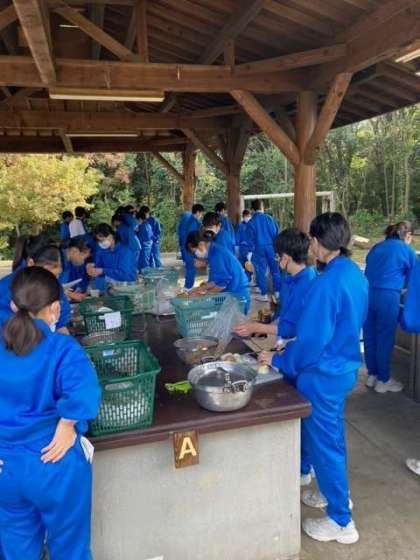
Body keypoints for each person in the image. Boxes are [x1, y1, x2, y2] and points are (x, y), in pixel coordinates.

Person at [259, 213, 368, 545]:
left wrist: (279, 358)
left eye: (312, 241)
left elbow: (310, 343)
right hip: (343, 367)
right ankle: (334, 494)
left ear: (319, 243)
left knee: (326, 445)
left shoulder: (325, 284)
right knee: (330, 440)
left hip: (323, 374)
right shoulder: (353, 273)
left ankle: (341, 520)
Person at [0, 266, 100, 559]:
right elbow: (85, 391)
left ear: (13, 305)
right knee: (70, 548)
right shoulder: (62, 348)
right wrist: (68, 424)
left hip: (7, 468)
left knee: (16, 548)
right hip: (54, 459)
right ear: (55, 308)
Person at [234, 228, 316, 346]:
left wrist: (257, 327)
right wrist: (264, 328)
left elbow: (292, 328)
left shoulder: (305, 284)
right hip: (285, 336)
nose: (276, 260)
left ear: (286, 258)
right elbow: (285, 314)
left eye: (277, 256)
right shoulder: (291, 275)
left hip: (299, 343)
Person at [364, 222, 418, 393]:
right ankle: (384, 380)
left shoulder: (376, 247)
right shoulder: (405, 249)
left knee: (370, 337)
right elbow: (415, 276)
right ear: (407, 236)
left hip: (368, 295)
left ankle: (372, 375)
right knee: (384, 338)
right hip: (388, 296)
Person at [0, 239, 71, 334]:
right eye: (47, 274)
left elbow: (62, 325)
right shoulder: (5, 291)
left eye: (57, 275)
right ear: (31, 263)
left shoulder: (53, 282)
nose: (53, 281)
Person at [186, 230, 251, 314]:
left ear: (201, 244)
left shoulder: (217, 254)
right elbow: (216, 281)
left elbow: (221, 285)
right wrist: (199, 289)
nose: (196, 254)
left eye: (194, 251)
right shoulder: (214, 252)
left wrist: (203, 295)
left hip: (237, 296)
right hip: (233, 293)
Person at [247, 199, 281, 302]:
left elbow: (250, 239)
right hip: (272, 247)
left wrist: (250, 252)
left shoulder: (251, 222)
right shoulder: (269, 219)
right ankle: (277, 292)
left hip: (258, 248)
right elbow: (276, 234)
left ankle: (264, 294)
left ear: (252, 210)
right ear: (262, 207)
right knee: (275, 270)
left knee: (260, 271)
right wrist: (278, 249)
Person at [88, 224, 137, 289]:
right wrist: (93, 269)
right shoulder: (101, 251)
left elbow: (125, 274)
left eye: (102, 240)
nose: (101, 243)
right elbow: (99, 269)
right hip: (110, 286)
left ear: (111, 235)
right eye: (99, 241)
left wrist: (103, 271)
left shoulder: (125, 252)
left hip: (126, 286)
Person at [179, 204, 204, 289]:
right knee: (191, 268)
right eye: (201, 213)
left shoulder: (188, 218)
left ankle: (188, 286)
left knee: (190, 267)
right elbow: (194, 239)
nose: (201, 215)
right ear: (198, 212)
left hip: (186, 246)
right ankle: (188, 287)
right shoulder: (193, 224)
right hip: (190, 248)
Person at [61, 238, 92, 302]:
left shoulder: (72, 263)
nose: (83, 261)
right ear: (74, 251)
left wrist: (79, 289)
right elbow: (53, 286)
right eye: (82, 256)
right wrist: (71, 294)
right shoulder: (59, 261)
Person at [235, 209, 253, 281]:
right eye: (245, 216)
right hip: (243, 248)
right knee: (242, 265)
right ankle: (245, 280)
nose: (247, 217)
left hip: (251, 248)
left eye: (248, 216)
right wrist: (236, 249)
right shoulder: (240, 226)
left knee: (250, 265)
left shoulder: (252, 225)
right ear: (243, 217)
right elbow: (237, 239)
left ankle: (248, 279)